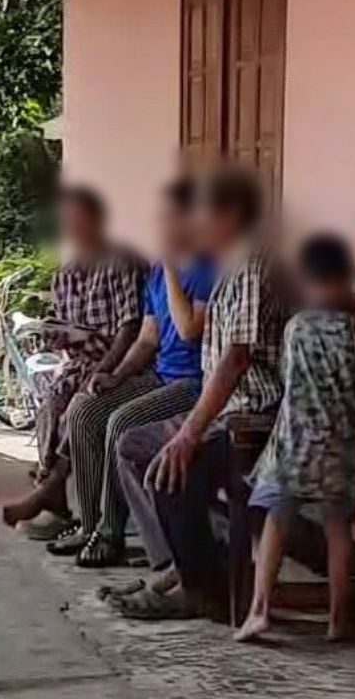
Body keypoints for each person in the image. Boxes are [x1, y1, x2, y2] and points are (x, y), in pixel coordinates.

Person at [107, 167, 284, 620]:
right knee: (139, 449)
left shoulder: (250, 265)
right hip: (226, 409)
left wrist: (188, 434)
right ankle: (188, 570)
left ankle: (202, 589)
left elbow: (236, 359)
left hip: (252, 416)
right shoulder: (229, 264)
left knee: (172, 469)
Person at [47, 178, 215, 565]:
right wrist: (116, 376)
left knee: (120, 421)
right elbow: (147, 338)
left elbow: (189, 329)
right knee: (84, 409)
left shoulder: (206, 268)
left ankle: (111, 533)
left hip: (193, 382)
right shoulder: (157, 273)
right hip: (159, 375)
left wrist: (171, 269)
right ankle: (90, 525)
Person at [234, 235, 355, 642]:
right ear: (349, 277)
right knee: (338, 529)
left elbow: (287, 377)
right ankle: (337, 618)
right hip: (342, 445)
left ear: (306, 282)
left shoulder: (296, 328)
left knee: (276, 520)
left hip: (294, 445)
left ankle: (259, 609)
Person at [1, 187, 146, 540]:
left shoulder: (120, 262)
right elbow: (63, 326)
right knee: (50, 405)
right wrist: (53, 334)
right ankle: (56, 503)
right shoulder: (64, 274)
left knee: (78, 409)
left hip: (117, 360)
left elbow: (130, 329)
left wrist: (105, 369)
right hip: (78, 361)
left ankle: (50, 492)